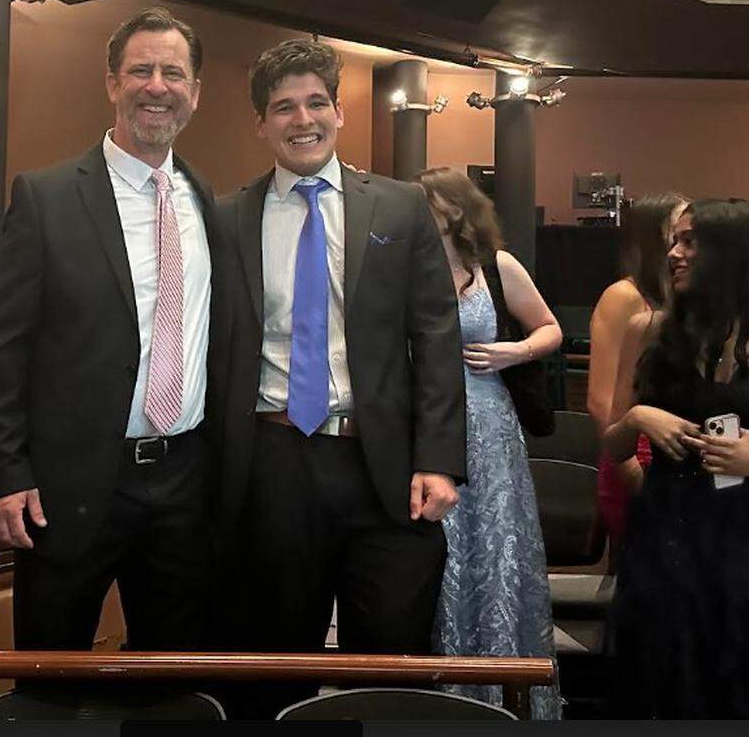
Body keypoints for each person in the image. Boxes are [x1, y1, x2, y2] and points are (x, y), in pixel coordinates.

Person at [0, 7, 224, 653]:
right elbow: (2, 349)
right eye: (141, 70)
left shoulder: (207, 202)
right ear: (112, 82)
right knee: (50, 672)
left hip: (184, 481)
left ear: (195, 92)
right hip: (71, 484)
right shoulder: (47, 196)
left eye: (174, 73)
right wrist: (3, 470)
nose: (157, 86)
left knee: (172, 674)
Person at [215, 39, 466, 667]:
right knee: (273, 662)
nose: (303, 119)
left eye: (316, 103)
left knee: (390, 663)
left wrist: (439, 460)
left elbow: (436, 338)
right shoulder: (226, 219)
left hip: (386, 470)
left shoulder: (401, 207)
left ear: (339, 112)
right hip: (272, 463)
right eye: (284, 107)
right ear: (260, 123)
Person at [602, 198, 749, 719]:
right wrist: (638, 419)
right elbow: (611, 445)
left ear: (733, 252)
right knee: (661, 681)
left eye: (689, 241)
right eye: (674, 241)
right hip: (665, 536)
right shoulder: (645, 329)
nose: (674, 253)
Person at [415, 167, 563, 719]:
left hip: (492, 424)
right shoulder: (409, 264)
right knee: (442, 551)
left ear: (456, 209)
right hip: (431, 423)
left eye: (428, 202)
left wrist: (514, 351)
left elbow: (549, 327)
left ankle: (504, 693)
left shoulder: (496, 266)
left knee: (496, 549)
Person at [587, 193, 687, 556]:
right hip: (635, 453)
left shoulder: (680, 296)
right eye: (678, 231)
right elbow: (600, 400)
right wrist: (628, 468)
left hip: (675, 454)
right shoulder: (624, 296)